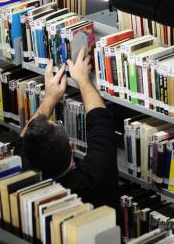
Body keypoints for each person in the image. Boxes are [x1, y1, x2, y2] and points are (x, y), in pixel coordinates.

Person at [18, 47, 119, 209]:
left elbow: (25, 137)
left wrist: (49, 98)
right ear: (70, 146)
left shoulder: (26, 178)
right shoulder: (94, 178)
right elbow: (100, 120)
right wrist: (83, 79)